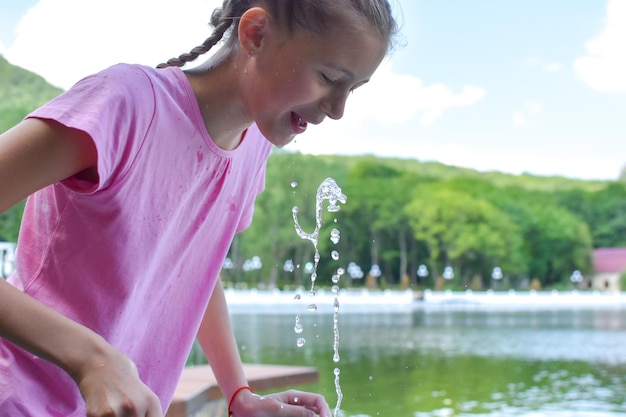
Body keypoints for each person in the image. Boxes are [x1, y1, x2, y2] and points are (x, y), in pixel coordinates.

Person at [0, 0, 397, 415]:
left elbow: (195, 269)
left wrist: (238, 395)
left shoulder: (253, 147)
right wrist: (90, 357)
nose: (337, 110)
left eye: (352, 89)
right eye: (329, 77)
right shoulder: (124, 106)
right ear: (256, 33)